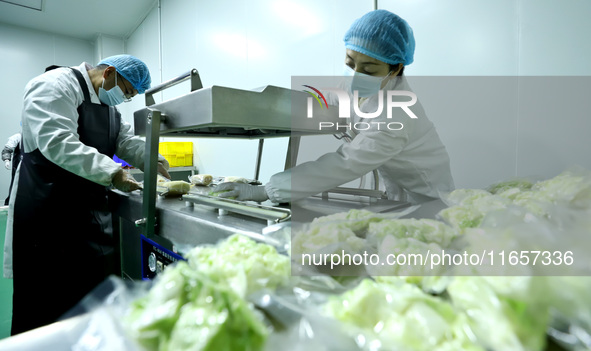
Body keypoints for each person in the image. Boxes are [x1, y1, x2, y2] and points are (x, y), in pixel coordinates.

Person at [214, 10, 454, 205]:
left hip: (426, 199)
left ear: (396, 69)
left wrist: (268, 190)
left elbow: (346, 162)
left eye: (369, 69)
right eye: (350, 63)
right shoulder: (355, 85)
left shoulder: (398, 113)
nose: (356, 75)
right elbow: (331, 98)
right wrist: (276, 103)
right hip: (394, 192)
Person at [4, 54, 171, 335]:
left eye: (130, 96)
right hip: (46, 219)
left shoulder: (109, 109)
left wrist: (151, 158)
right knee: (45, 310)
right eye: (126, 91)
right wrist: (114, 172)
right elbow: (56, 141)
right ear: (109, 74)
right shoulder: (55, 84)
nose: (124, 99)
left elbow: (124, 141)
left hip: (88, 222)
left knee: (88, 308)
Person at [2, 132, 22, 205]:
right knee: (15, 187)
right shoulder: (18, 136)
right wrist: (6, 159)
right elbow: (7, 149)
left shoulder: (37, 137)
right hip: (19, 168)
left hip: (33, 169)